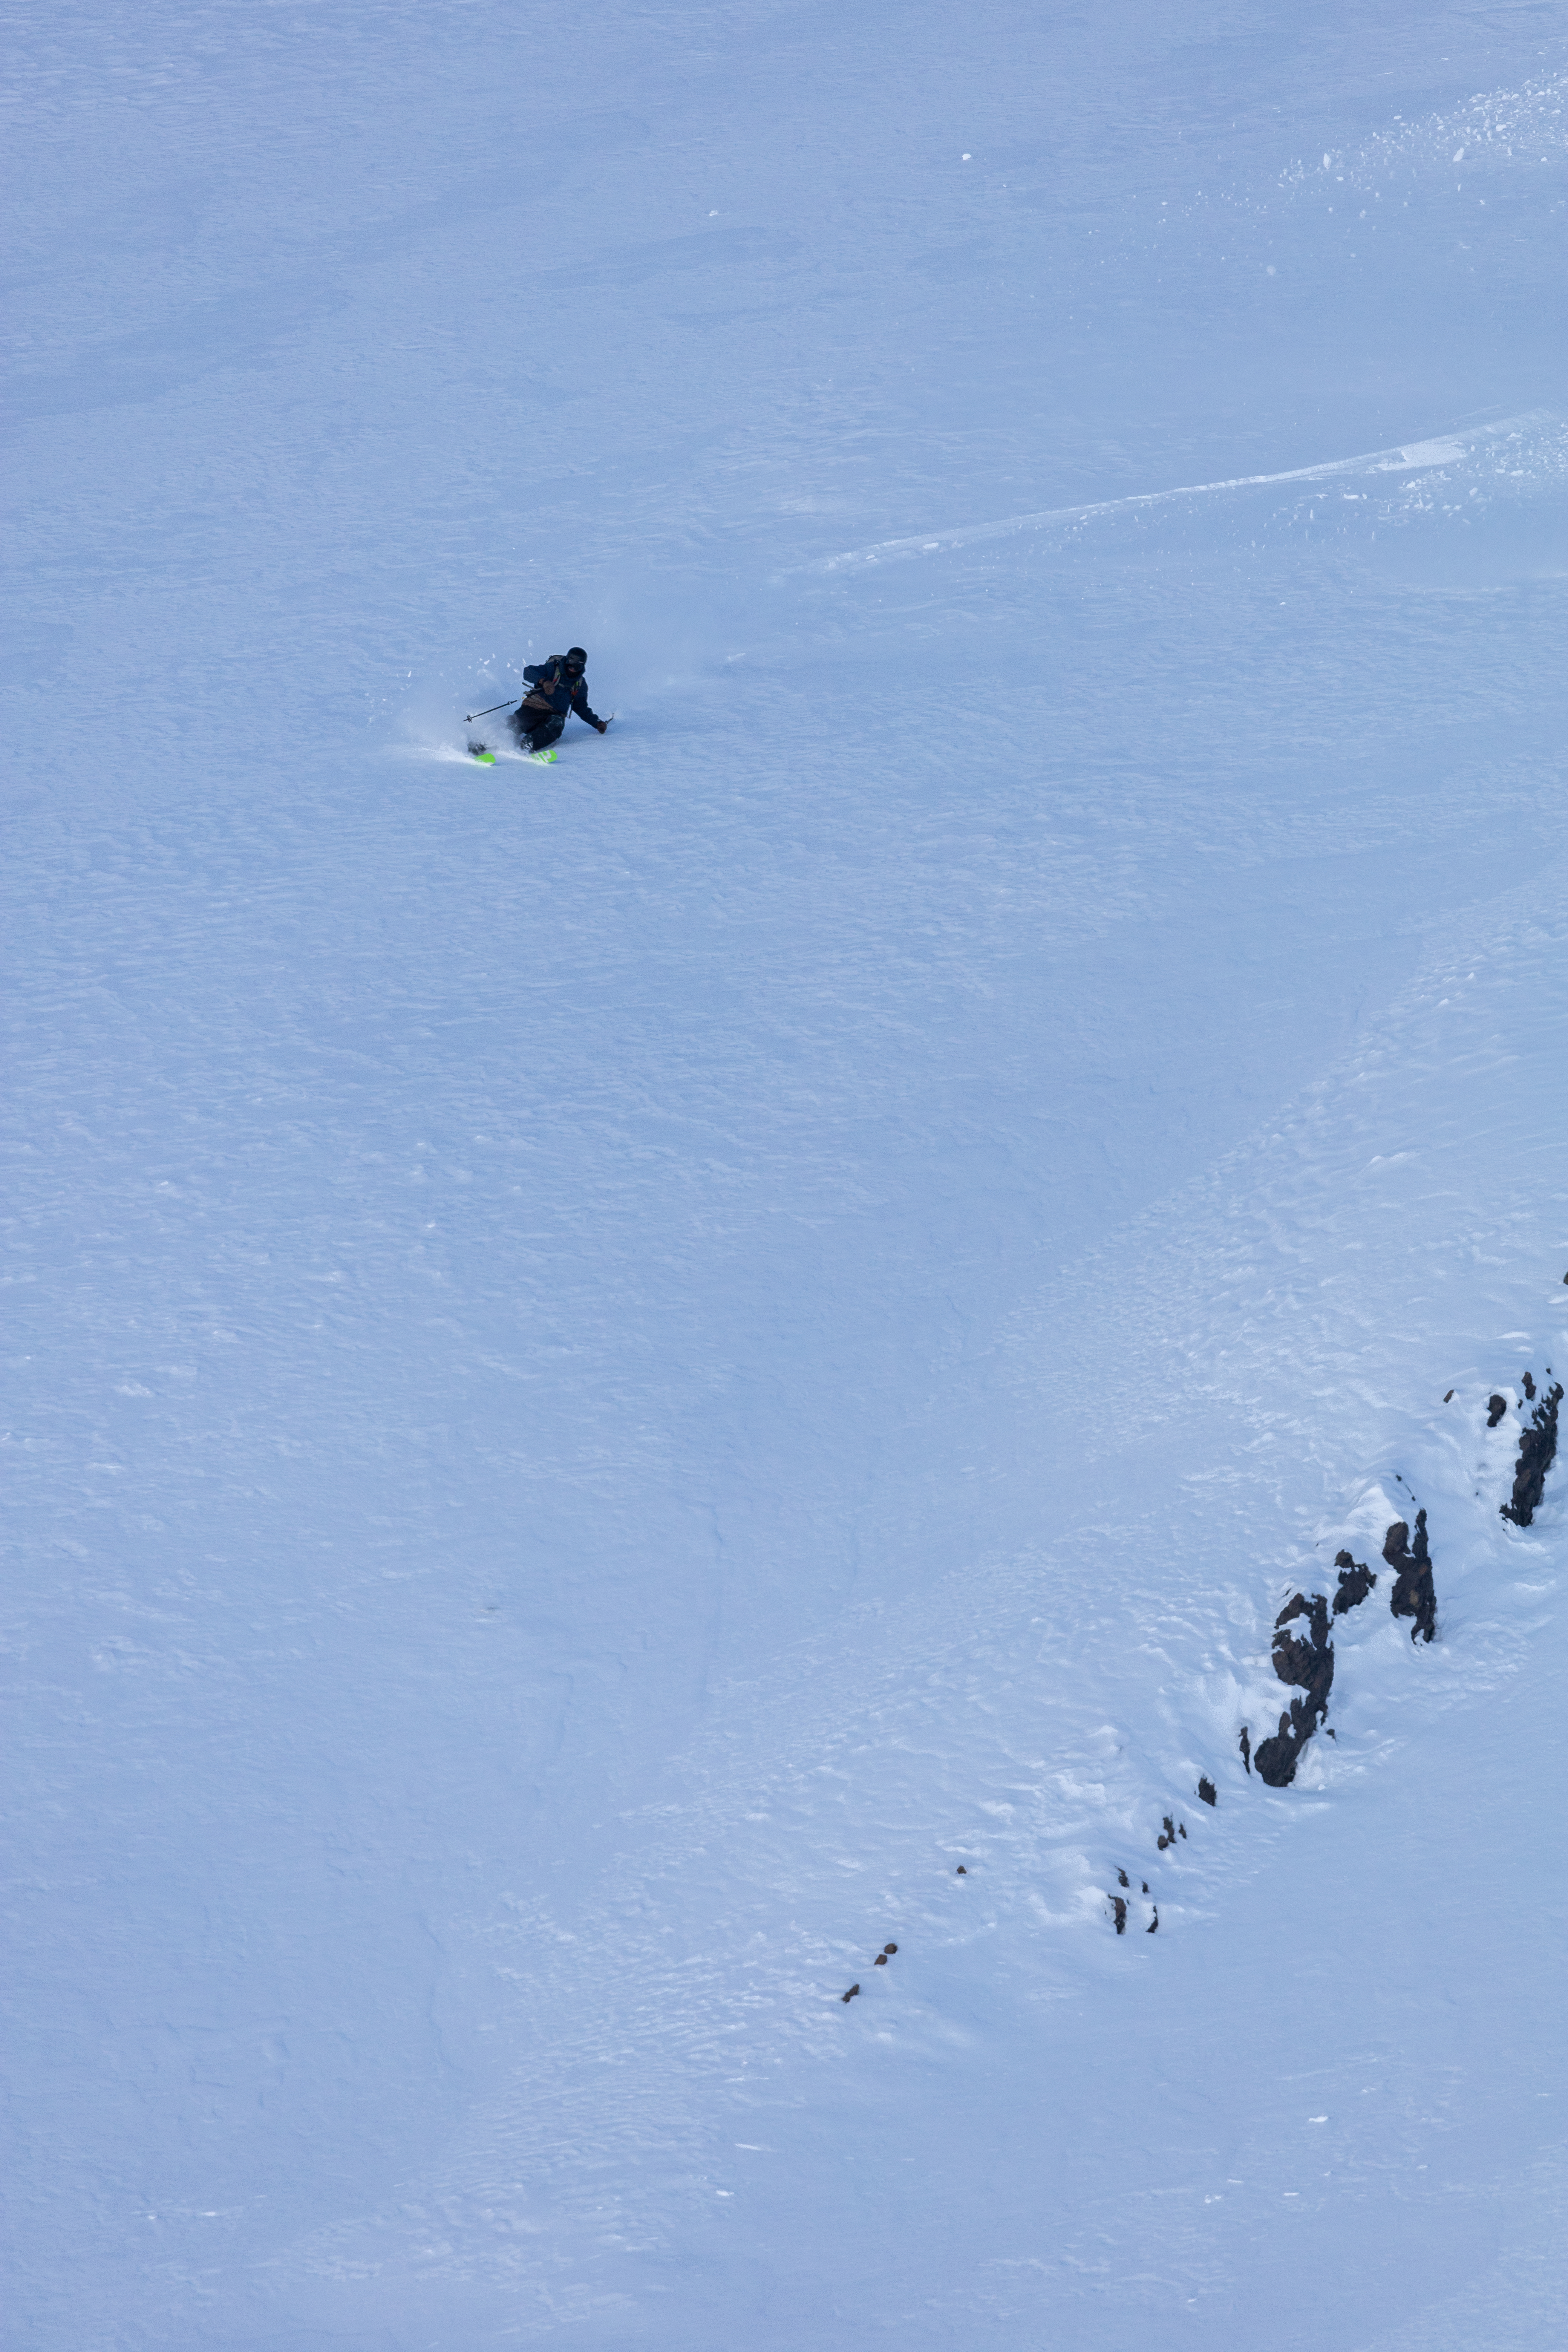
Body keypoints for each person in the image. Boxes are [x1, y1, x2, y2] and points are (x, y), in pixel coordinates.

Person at [509, 648, 609, 753]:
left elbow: (580, 707)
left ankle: (528, 745)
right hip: (535, 706)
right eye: (570, 664)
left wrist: (596, 722)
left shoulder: (580, 684)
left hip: (556, 714)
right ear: (566, 661)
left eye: (577, 667)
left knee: (556, 726)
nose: (572, 669)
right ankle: (498, 737)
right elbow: (529, 672)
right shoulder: (552, 668)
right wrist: (543, 682)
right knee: (520, 722)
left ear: (582, 667)